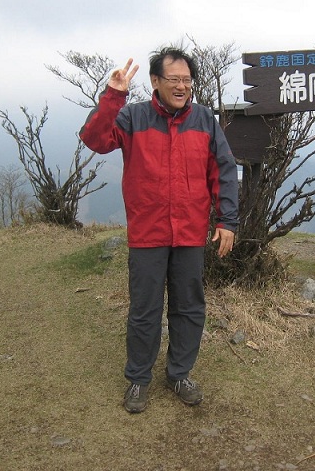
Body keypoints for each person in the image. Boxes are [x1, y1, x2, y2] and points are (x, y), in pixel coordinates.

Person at [79, 47, 239, 413]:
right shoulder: (132, 116)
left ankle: (179, 373)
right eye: (174, 80)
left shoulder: (203, 120)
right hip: (148, 232)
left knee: (189, 308)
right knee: (144, 310)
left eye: (187, 80)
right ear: (155, 81)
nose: (182, 87)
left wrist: (227, 221)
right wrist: (113, 95)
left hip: (189, 233)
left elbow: (224, 169)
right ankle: (138, 379)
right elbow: (95, 139)